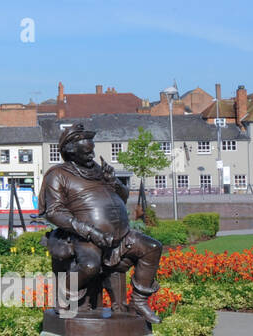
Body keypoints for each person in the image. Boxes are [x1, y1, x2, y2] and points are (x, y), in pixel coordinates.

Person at [39, 124, 163, 323]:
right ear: (71, 152)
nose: (92, 156)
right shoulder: (58, 175)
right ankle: (65, 294)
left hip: (120, 235)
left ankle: (139, 301)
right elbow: (53, 212)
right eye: (87, 153)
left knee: (152, 247)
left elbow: (122, 198)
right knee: (89, 266)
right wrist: (89, 231)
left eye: (92, 151)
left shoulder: (98, 171)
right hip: (85, 237)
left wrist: (113, 181)